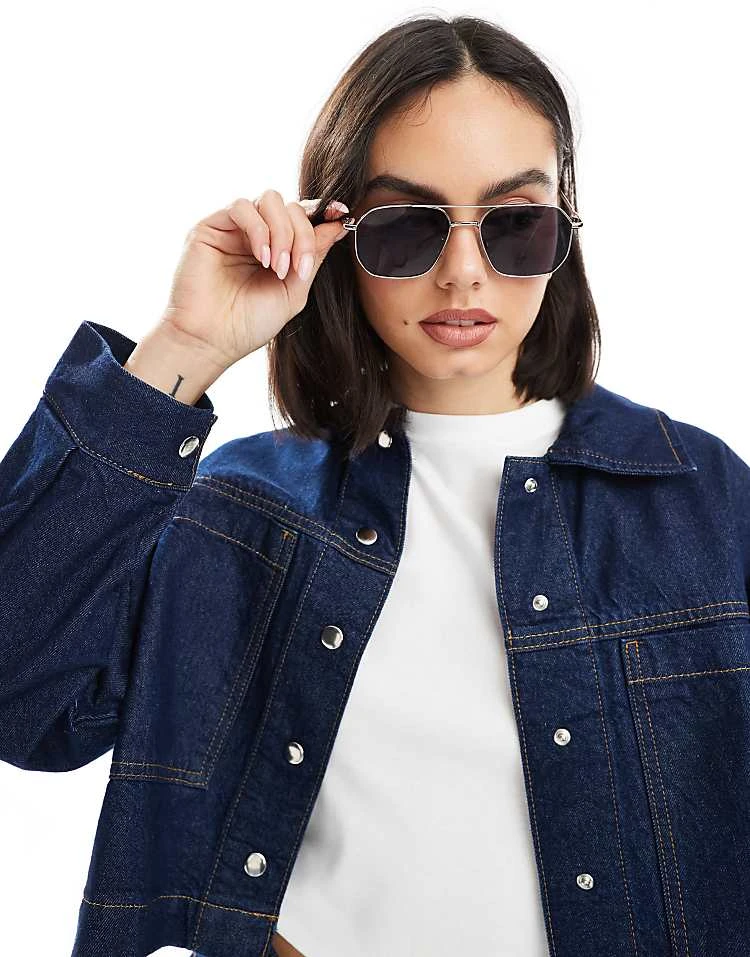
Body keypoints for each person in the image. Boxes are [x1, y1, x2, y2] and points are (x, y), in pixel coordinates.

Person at [3, 13, 750, 957]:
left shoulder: (703, 500)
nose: (464, 273)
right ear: (338, 233)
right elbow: (25, 698)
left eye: (515, 223)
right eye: (407, 228)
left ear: (564, 229)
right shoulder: (243, 512)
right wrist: (184, 346)